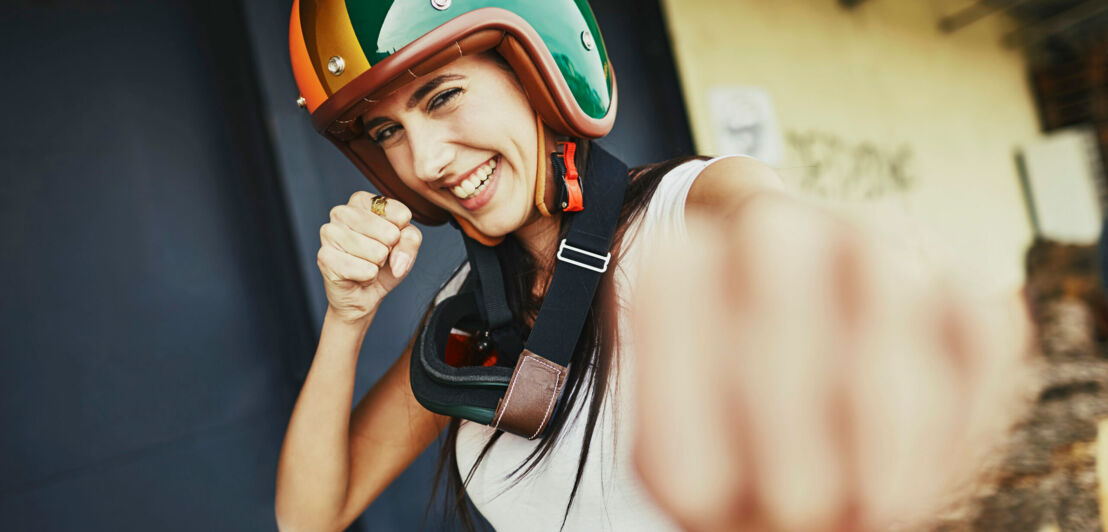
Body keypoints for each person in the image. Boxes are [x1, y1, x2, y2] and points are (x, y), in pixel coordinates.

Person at [275, 1, 1029, 531]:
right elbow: (311, 515)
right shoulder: (470, 321)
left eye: (443, 98)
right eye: (388, 131)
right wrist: (348, 315)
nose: (425, 160)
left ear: (536, 73)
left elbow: (779, 233)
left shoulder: (693, 206)